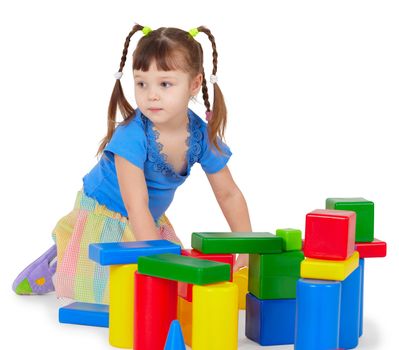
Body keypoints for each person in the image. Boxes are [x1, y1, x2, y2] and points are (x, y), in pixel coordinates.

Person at [12, 24, 252, 304]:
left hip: (146, 218)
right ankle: (58, 262)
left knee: (173, 290)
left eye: (165, 84)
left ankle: (68, 256)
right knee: (117, 295)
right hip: (109, 212)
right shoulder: (132, 136)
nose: (151, 95)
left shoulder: (201, 135)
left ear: (195, 83)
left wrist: (246, 247)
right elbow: (135, 204)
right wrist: (160, 264)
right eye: (141, 83)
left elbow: (229, 193)